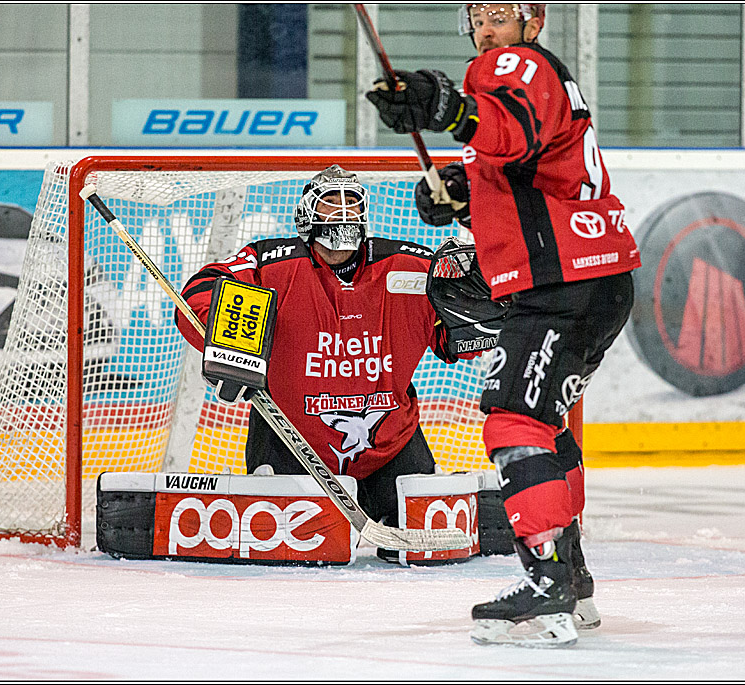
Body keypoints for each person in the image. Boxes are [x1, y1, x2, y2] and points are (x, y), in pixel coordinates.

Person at [366, 3, 640, 647]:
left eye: (500, 15)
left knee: (514, 421)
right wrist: (464, 195)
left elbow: (507, 129)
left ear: (531, 24)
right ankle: (570, 578)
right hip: (595, 277)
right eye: (478, 18)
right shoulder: (540, 78)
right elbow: (528, 168)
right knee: (544, 423)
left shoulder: (516, 66)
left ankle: (548, 585)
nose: (487, 30)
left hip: (562, 282)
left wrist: (446, 107)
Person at [174, 165, 472, 560]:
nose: (344, 211)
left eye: (352, 202)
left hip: (390, 447)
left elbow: (457, 341)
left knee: (426, 554)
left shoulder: (411, 267)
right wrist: (231, 349)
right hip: (291, 443)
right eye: (332, 202)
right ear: (306, 214)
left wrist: (483, 314)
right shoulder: (268, 264)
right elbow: (198, 293)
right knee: (293, 559)